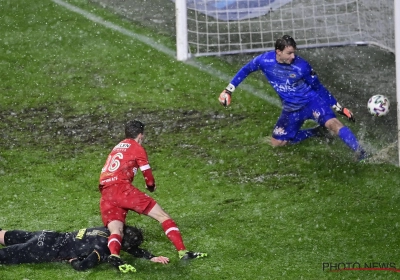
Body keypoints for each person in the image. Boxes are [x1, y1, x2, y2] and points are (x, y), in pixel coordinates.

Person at [219, 34, 367, 161]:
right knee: (277, 143)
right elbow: (246, 70)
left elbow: (318, 87)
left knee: (334, 125)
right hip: (291, 109)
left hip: (312, 102)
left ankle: (360, 152)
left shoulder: (302, 66)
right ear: (278, 52)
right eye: (289, 53)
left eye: (294, 53)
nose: (293, 56)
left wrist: (339, 107)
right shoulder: (264, 61)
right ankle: (318, 132)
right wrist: (228, 90)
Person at [98, 120, 206, 266]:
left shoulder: (116, 147)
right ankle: (183, 252)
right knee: (163, 216)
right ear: (141, 135)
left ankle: (115, 257)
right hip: (122, 189)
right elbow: (147, 175)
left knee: (116, 230)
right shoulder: (137, 148)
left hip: (106, 193)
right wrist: (151, 186)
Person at [0, 225, 169, 272]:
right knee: (4, 256)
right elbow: (83, 266)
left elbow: (125, 245)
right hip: (45, 249)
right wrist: (73, 260)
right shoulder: (104, 249)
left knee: (6, 235)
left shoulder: (107, 229)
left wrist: (150, 256)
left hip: (48, 235)